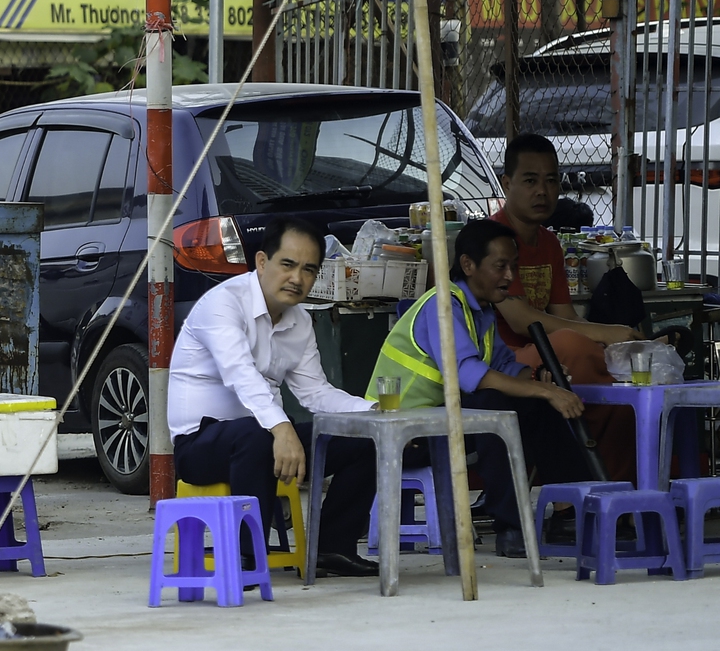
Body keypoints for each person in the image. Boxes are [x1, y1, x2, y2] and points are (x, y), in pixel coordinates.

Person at [170, 216, 381, 577]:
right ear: (263, 262)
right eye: (287, 264)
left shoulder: (298, 322)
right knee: (254, 435)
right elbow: (241, 375)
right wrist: (281, 429)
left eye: (308, 269)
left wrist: (373, 411)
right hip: (201, 443)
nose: (297, 278)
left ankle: (332, 547)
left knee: (366, 439)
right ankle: (246, 556)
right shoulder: (222, 304)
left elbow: (316, 392)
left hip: (266, 436)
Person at [369, 217, 593, 557]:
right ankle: (510, 527)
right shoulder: (442, 306)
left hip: (439, 423)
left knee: (533, 405)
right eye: (500, 266)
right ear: (468, 265)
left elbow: (506, 368)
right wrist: (546, 392)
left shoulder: (481, 315)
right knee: (492, 406)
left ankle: (569, 510)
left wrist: (541, 382)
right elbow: (470, 374)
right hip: (404, 431)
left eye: (512, 267)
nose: (509, 277)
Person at [488, 133, 641, 478]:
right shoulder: (491, 239)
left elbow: (565, 317)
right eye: (530, 181)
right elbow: (520, 321)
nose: (542, 191)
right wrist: (607, 332)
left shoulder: (551, 243)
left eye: (551, 180)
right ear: (507, 183)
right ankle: (570, 489)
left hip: (542, 352)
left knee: (622, 378)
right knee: (572, 346)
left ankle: (618, 490)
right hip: (498, 359)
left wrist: (615, 340)